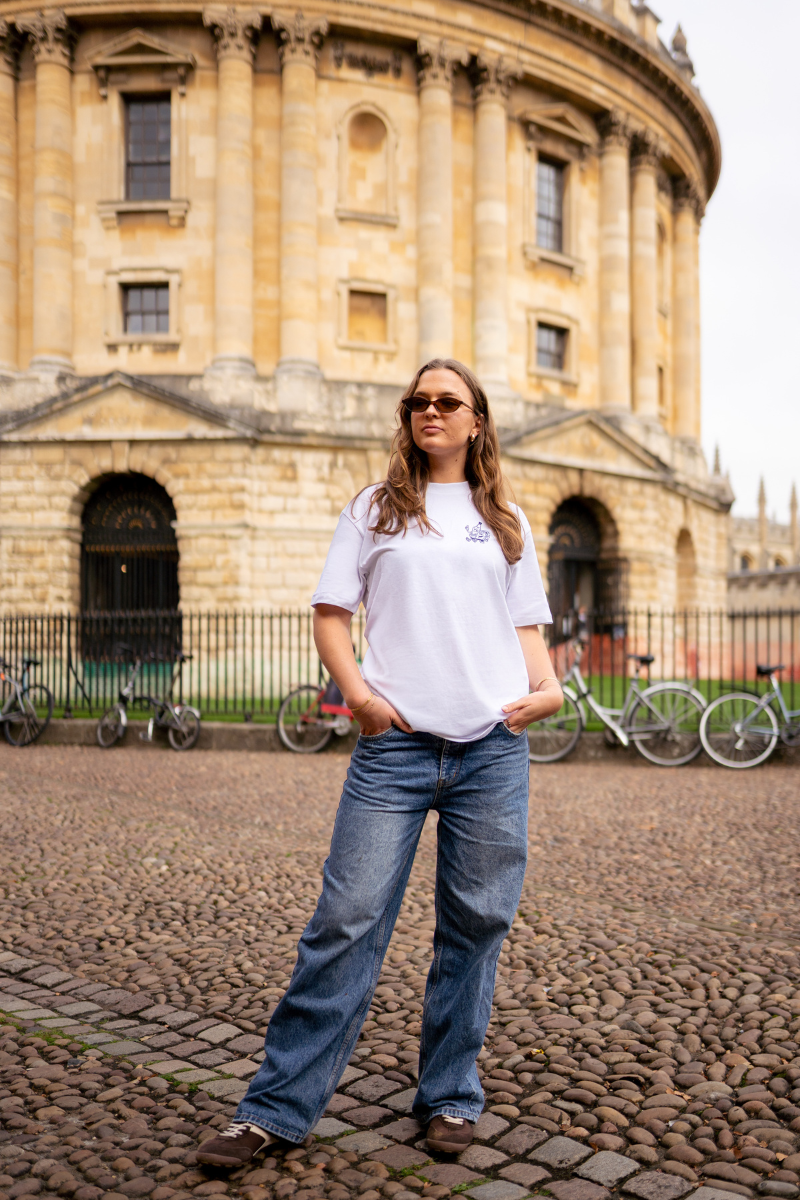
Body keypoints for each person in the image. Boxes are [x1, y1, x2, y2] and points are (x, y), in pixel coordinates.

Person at [198, 359, 563, 1169]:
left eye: (447, 401)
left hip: (491, 750)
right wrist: (360, 699)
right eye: (417, 401)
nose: (431, 411)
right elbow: (331, 614)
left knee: (476, 927)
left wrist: (547, 691)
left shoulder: (504, 519)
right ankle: (272, 1111)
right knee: (345, 922)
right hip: (394, 749)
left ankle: (450, 1094)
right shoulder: (374, 508)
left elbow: (525, 630)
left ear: (476, 420)